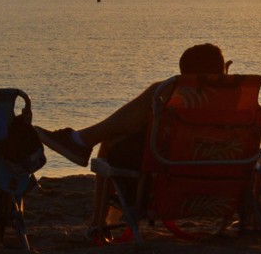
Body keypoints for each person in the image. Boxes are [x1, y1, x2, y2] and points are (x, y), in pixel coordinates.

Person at [35, 43, 228, 170]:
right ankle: (81, 140)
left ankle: (82, 141)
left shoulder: (171, 93)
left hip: (172, 169)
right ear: (223, 71)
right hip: (226, 168)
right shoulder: (238, 99)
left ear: (185, 76)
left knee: (111, 142)